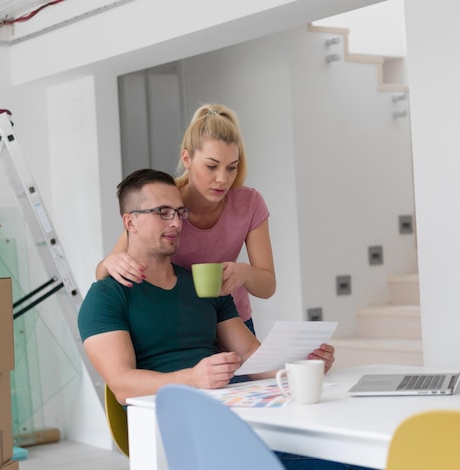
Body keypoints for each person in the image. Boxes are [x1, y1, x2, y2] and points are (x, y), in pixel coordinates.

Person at [79, 169, 369, 470]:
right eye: (162, 213)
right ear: (131, 222)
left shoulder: (204, 285)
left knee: (355, 452)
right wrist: (192, 378)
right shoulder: (107, 297)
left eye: (179, 212)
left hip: (236, 415)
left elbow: (251, 357)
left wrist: (301, 363)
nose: (176, 223)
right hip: (174, 428)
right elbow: (122, 385)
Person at [95, 103, 274, 335]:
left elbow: (268, 286)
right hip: (182, 323)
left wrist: (244, 273)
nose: (223, 179)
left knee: (256, 371)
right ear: (187, 158)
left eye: (232, 167)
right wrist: (110, 263)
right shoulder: (165, 204)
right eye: (211, 166)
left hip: (233, 321)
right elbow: (103, 272)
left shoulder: (249, 203)